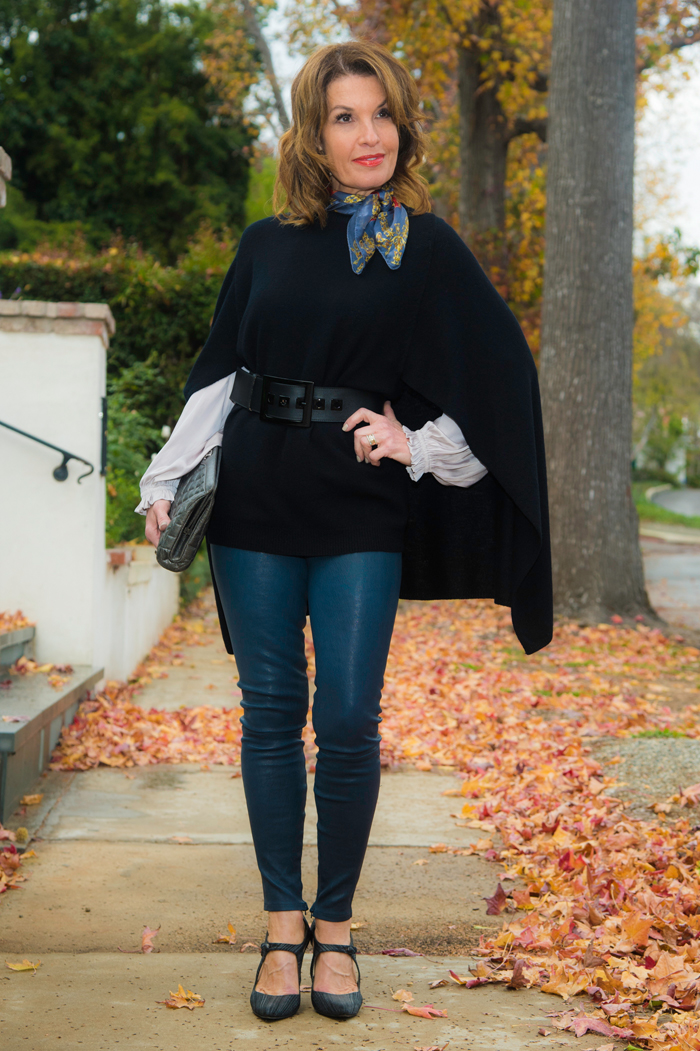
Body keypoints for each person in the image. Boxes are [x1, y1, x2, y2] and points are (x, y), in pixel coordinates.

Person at [137, 39, 552, 1024]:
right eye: (343, 117)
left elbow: (501, 382)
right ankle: (284, 926)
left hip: (360, 501)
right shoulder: (264, 244)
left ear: (400, 126)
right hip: (255, 495)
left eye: (380, 114)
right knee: (271, 710)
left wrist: (415, 441)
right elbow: (218, 373)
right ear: (313, 137)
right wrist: (165, 477)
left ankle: (336, 924)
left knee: (352, 717)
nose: (367, 134)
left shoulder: (423, 244)